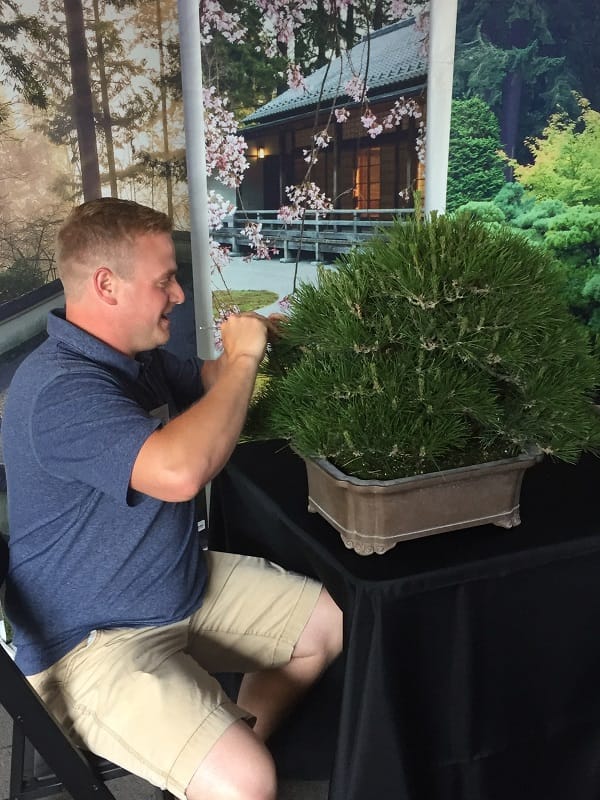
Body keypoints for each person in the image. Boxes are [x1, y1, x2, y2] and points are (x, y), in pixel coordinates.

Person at [2, 198, 343, 800]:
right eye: (165, 281)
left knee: (325, 628)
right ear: (107, 285)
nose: (180, 296)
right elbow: (180, 471)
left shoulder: (130, 361)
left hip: (174, 584)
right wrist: (243, 359)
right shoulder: (60, 390)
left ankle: (228, 752)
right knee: (247, 783)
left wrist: (257, 340)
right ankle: (230, 770)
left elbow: (211, 382)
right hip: (91, 640)